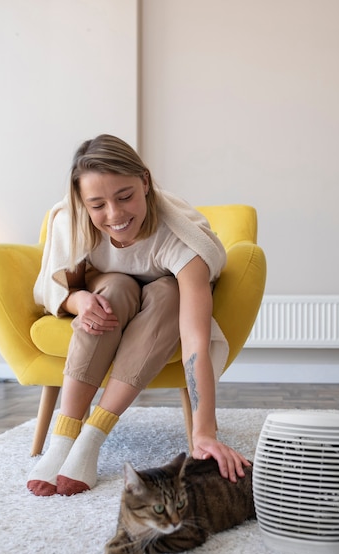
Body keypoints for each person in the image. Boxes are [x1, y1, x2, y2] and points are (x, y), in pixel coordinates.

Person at [27, 134, 250, 497]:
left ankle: (92, 437)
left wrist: (204, 431)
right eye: (98, 204)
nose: (114, 215)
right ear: (82, 202)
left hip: (164, 306)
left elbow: (195, 340)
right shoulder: (73, 221)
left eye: (125, 196)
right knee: (113, 289)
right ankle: (64, 437)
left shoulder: (181, 238)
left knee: (165, 292)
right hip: (114, 295)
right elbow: (57, 290)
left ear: (145, 182)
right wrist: (79, 302)